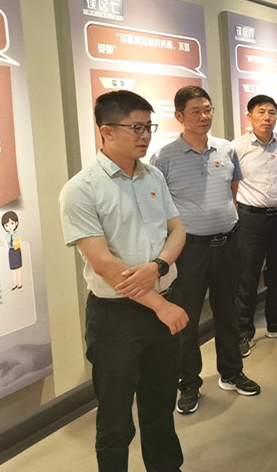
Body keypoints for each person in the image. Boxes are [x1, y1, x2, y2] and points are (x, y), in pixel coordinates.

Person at [59, 90, 188, 470]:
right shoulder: (81, 188)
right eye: (136, 128)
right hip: (115, 318)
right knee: (115, 421)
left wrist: (157, 267)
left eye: (149, 127)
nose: (145, 136)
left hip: (161, 308)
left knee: (160, 409)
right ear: (106, 131)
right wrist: (161, 304)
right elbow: (103, 263)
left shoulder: (153, 175)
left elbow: (177, 229)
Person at [152, 86, 260, 416]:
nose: (204, 116)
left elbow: (232, 189)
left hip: (228, 243)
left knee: (228, 310)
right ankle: (188, 382)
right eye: (196, 111)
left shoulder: (226, 149)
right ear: (179, 116)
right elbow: (159, 207)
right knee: (186, 317)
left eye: (208, 109)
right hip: (189, 250)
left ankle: (232, 372)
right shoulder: (164, 157)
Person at [234, 94, 277, 357]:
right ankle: (243, 332)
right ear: (249, 116)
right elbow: (231, 184)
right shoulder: (237, 147)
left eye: (272, 112)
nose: (267, 117)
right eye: (261, 112)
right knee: (247, 276)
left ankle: (276, 323)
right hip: (251, 218)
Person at [1, 211, 23, 290]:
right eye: (6, 225)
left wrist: (16, 242)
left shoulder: (17, 233)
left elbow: (19, 242)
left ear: (16, 223)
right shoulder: (7, 236)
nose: (9, 226)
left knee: (18, 269)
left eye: (12, 223)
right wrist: (3, 240)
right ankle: (15, 284)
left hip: (16, 250)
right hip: (11, 252)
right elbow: (7, 245)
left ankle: (20, 283)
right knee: (13, 269)